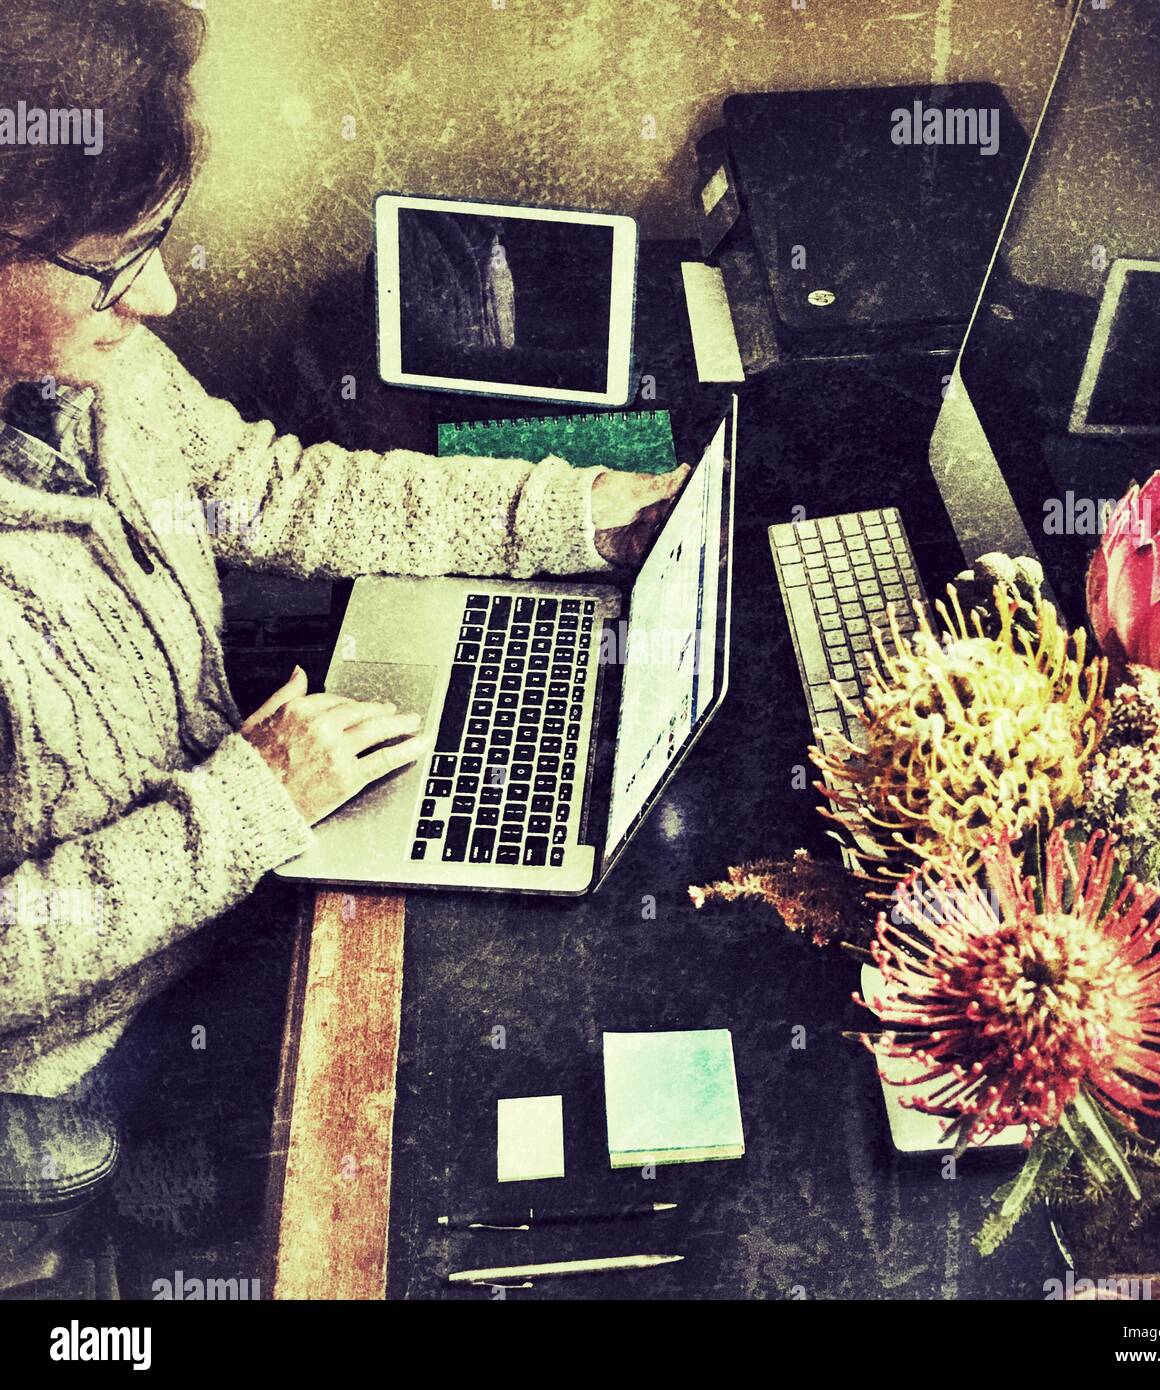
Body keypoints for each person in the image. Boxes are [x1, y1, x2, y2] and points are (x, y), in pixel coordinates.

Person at [0, 0, 686, 1104]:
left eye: (158, 242)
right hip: (102, 1050)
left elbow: (272, 490)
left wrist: (570, 516)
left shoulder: (99, 370)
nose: (162, 298)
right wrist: (245, 803)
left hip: (251, 872)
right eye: (117, 265)